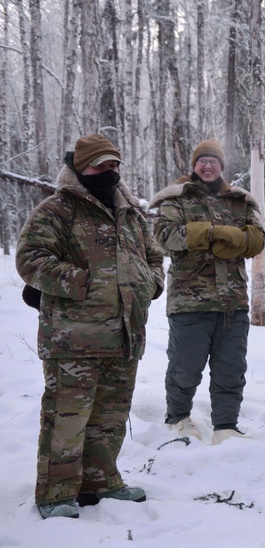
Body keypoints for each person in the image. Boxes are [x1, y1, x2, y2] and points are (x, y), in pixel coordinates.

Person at [16, 134, 164, 519]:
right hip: (73, 338)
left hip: (125, 334)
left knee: (110, 417)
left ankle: (102, 481)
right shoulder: (58, 209)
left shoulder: (131, 211)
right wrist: (84, 282)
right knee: (66, 418)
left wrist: (151, 283)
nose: (108, 172)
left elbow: (154, 256)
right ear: (80, 167)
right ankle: (56, 493)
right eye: (100, 165)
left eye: (114, 165)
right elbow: (30, 259)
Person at [149, 139, 265, 445]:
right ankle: (178, 418)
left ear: (222, 166)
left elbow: (257, 239)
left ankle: (226, 427)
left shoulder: (240, 201)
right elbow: (164, 236)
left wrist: (238, 240)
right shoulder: (177, 199)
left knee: (231, 370)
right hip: (190, 302)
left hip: (233, 303)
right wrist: (211, 233)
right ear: (194, 165)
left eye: (214, 160)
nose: (208, 165)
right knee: (185, 368)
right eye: (203, 161)